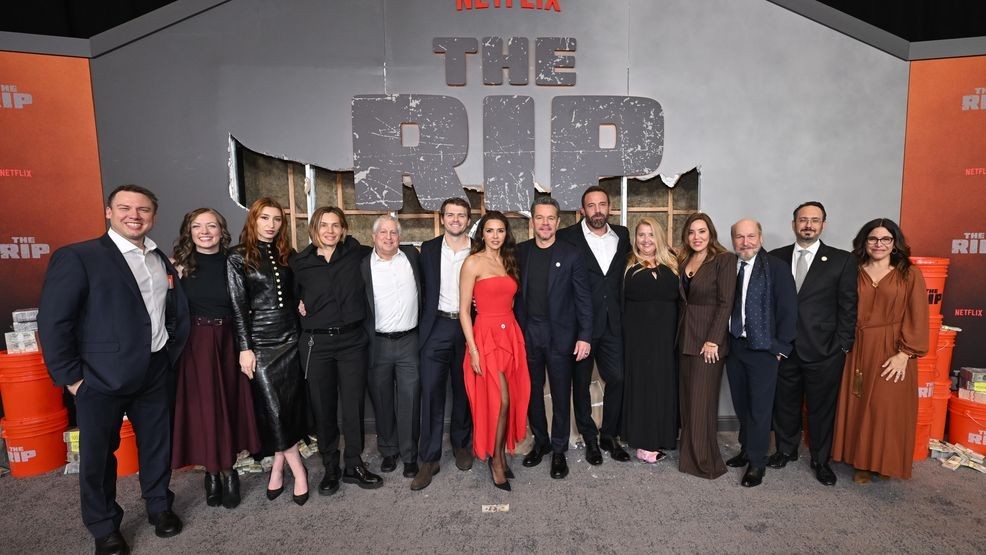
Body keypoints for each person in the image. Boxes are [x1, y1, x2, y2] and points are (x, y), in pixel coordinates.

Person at [38, 185, 190, 555]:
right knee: (98, 457)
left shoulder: (159, 259)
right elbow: (54, 322)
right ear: (109, 212)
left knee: (157, 445)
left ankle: (159, 506)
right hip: (99, 377)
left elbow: (167, 309)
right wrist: (72, 379)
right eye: (125, 208)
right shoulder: (79, 257)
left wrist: (168, 352)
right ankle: (104, 526)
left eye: (143, 209)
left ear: (153, 216)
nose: (134, 215)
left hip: (155, 369)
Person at [171, 208, 261, 509]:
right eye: (197, 226)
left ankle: (230, 471)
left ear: (222, 231)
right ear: (189, 231)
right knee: (206, 410)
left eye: (211, 225)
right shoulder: (179, 266)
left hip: (229, 341)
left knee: (230, 406)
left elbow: (250, 301)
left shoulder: (234, 262)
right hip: (195, 344)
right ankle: (212, 473)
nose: (205, 231)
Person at [291, 206, 382, 495]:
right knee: (323, 408)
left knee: (353, 406)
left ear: (343, 229)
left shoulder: (357, 253)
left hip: (352, 341)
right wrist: (299, 304)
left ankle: (353, 464)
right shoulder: (299, 262)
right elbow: (291, 299)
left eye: (335, 225)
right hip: (316, 344)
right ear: (314, 229)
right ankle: (330, 467)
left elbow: (388, 249)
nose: (329, 231)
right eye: (323, 225)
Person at [767, 202, 857, 486]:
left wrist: (843, 345)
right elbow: (767, 302)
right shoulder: (775, 257)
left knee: (821, 409)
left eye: (815, 220)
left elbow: (848, 306)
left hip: (824, 349)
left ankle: (820, 460)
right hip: (785, 349)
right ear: (793, 224)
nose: (808, 225)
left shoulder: (842, 260)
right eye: (803, 220)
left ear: (823, 225)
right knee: (785, 404)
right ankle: (786, 450)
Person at [833, 218, 929, 482]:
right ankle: (861, 462)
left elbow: (918, 315)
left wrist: (905, 354)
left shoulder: (909, 274)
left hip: (893, 348)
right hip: (856, 345)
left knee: (886, 408)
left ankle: (882, 462)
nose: (879, 244)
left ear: (895, 243)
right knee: (857, 402)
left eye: (886, 239)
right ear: (864, 242)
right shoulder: (852, 269)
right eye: (873, 238)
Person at [227, 197, 309, 505]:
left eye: (276, 219)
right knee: (273, 408)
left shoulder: (288, 254)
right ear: (254, 220)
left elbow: (298, 290)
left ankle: (277, 465)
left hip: (291, 335)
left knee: (288, 406)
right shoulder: (237, 256)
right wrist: (244, 348)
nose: (271, 224)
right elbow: (238, 306)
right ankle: (299, 470)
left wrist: (303, 302)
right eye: (265, 218)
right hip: (260, 339)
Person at [515, 197, 593, 479]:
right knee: (532, 393)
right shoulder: (520, 252)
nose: (545, 223)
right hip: (529, 333)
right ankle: (542, 442)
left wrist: (585, 336)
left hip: (561, 335)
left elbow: (583, 298)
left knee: (561, 394)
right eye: (540, 217)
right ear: (532, 222)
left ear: (558, 222)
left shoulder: (572, 254)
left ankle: (559, 449)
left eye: (550, 218)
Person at [557, 185, 632, 465]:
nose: (597, 210)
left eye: (602, 204)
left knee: (618, 379)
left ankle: (609, 435)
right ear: (582, 210)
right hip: (580, 328)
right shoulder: (566, 237)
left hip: (614, 323)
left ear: (609, 208)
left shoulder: (622, 235)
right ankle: (589, 438)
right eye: (591, 205)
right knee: (581, 384)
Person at [459, 211, 531, 491]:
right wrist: (473, 350)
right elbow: (464, 311)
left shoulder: (509, 261)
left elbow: (509, 301)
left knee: (510, 399)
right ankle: (496, 460)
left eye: (500, 230)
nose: (495, 236)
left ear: (506, 234)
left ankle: (500, 452)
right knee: (500, 400)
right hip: (485, 338)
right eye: (489, 230)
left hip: (509, 333)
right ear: (482, 234)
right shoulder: (472, 262)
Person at [724, 219, 797, 488]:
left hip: (764, 349)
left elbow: (788, 309)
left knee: (759, 408)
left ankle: (757, 462)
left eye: (751, 236)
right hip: (735, 345)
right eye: (740, 237)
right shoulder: (728, 266)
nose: (746, 242)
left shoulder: (776, 268)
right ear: (733, 240)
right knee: (741, 403)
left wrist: (780, 348)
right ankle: (746, 449)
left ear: (761, 238)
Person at [413, 198, 474, 491]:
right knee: (431, 392)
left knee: (464, 391)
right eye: (450, 215)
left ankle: (461, 445)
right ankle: (429, 458)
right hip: (436, 326)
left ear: (468, 220)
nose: (455, 219)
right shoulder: (428, 249)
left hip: (468, 328)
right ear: (442, 218)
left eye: (461, 215)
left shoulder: (478, 248)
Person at [361, 215, 422, 480]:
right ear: (373, 237)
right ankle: (388, 450)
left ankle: (409, 456)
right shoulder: (362, 264)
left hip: (410, 341)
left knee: (410, 399)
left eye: (393, 232)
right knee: (382, 399)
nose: (388, 237)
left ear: (400, 236)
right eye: (383, 232)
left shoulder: (412, 257)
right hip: (378, 343)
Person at [676, 212, 735, 480]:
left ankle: (705, 462)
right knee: (688, 401)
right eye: (691, 232)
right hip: (684, 338)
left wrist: (714, 340)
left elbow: (726, 302)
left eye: (701, 231)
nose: (696, 237)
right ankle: (689, 457)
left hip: (708, 343)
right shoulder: (684, 259)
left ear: (710, 233)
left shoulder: (723, 260)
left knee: (701, 402)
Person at [621, 217, 680, 463]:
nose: (646, 240)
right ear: (635, 239)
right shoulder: (628, 264)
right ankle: (643, 442)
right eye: (641, 235)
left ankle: (663, 436)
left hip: (667, 337)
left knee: (664, 384)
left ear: (659, 237)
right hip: (639, 339)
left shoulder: (672, 263)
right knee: (643, 385)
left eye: (651, 234)